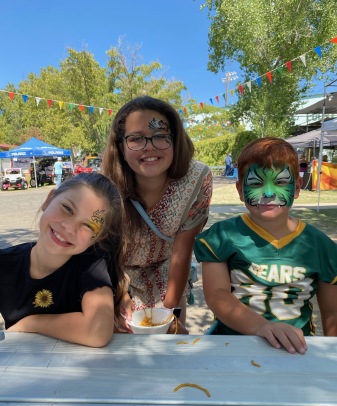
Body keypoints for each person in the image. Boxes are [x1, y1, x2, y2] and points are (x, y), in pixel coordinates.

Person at [194, 137, 337, 354]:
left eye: (280, 182)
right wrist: (262, 327)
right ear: (240, 190)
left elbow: (332, 314)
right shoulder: (222, 236)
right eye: (256, 183)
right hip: (232, 344)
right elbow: (217, 295)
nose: (269, 193)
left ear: (297, 188)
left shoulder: (321, 246)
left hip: (295, 349)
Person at [102, 96, 212, 330]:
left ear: (175, 140)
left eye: (161, 136)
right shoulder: (103, 186)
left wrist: (167, 315)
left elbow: (181, 254)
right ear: (121, 146)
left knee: (168, 342)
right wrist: (120, 295)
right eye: (136, 139)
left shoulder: (197, 179)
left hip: (168, 274)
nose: (149, 146)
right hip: (115, 276)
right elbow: (101, 252)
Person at [0, 172, 128, 347]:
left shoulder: (91, 265)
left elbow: (98, 330)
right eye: (67, 208)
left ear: (98, 238)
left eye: (88, 225)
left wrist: (30, 323)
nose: (69, 228)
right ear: (49, 199)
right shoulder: (5, 264)